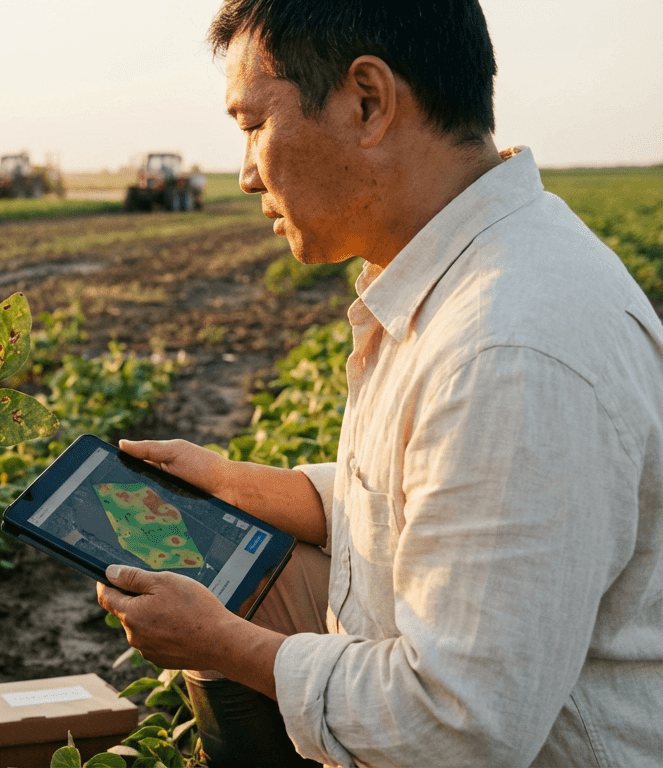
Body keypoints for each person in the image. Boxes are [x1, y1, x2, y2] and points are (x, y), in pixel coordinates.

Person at [98, 1, 663, 766]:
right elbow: (433, 493)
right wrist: (236, 484)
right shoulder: (472, 268)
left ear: (367, 102)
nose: (242, 174)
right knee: (231, 566)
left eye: (253, 125)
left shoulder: (509, 349)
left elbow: (461, 727)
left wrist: (224, 646)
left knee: (224, 605)